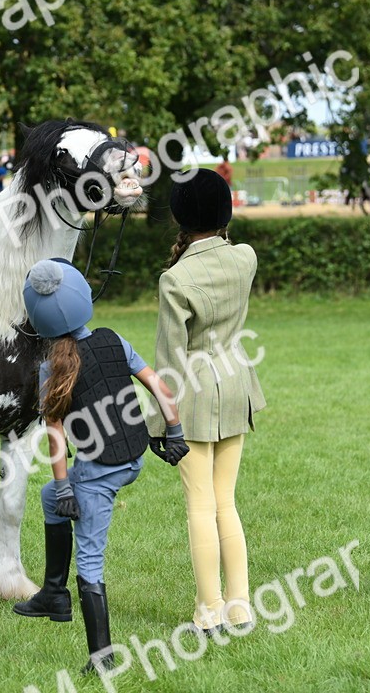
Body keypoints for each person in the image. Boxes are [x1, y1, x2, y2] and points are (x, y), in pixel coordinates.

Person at [12, 258, 185, 674]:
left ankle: (102, 659)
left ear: (38, 321)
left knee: (90, 560)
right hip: (131, 458)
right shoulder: (113, 339)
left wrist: (70, 486)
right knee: (49, 497)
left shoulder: (49, 369)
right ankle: (53, 593)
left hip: (97, 473)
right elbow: (160, 386)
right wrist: (175, 431)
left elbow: (54, 432)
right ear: (83, 298)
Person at [156, 168, 266, 633]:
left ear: (180, 218)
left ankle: (208, 608)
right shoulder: (245, 257)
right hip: (237, 380)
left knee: (200, 505)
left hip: (195, 391)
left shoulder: (174, 279)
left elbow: (168, 362)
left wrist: (161, 423)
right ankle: (239, 603)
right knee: (227, 501)